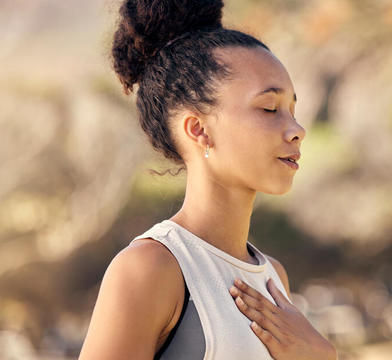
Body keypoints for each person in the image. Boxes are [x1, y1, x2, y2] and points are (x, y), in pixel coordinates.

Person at [78, 0, 338, 359]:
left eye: (293, 110)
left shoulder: (273, 277)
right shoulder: (151, 268)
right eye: (269, 108)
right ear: (199, 129)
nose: (297, 130)